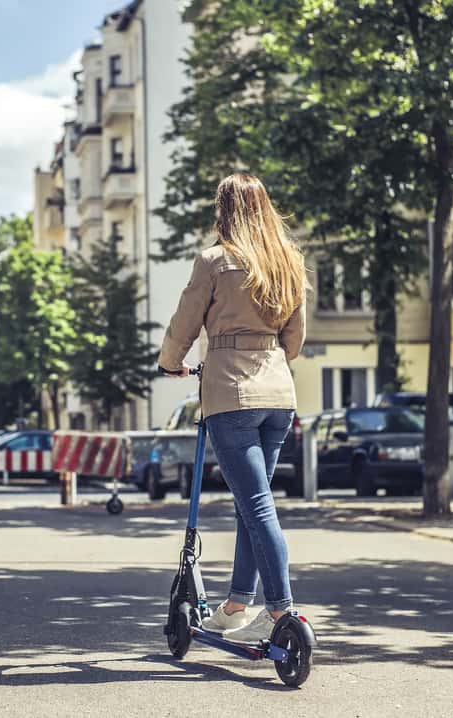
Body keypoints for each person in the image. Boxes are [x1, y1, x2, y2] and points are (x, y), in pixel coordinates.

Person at [158, 172, 307, 643]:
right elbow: (296, 340)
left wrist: (171, 363)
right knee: (251, 504)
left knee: (256, 504)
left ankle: (281, 610)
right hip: (279, 395)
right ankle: (238, 603)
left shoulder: (213, 261)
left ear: (223, 210)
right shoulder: (289, 261)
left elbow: (184, 322)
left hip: (230, 392)